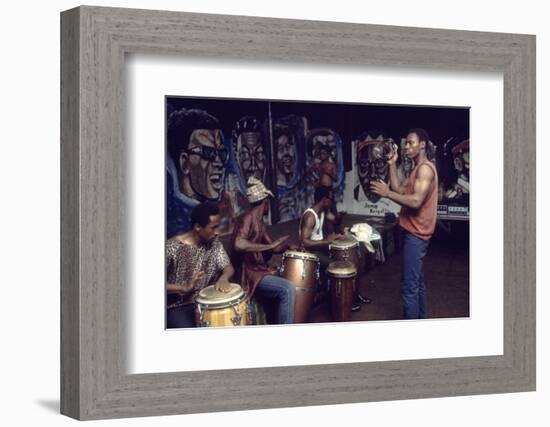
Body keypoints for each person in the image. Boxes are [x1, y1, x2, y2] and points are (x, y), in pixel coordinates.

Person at [370, 128, 439, 319]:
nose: (406, 146)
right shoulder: (417, 168)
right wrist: (392, 164)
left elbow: (416, 201)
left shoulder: (424, 169)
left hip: (416, 235)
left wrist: (387, 194)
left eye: (411, 143)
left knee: (409, 288)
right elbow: (400, 189)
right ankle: (421, 322)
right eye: (406, 143)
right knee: (417, 283)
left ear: (423, 145)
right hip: (414, 233)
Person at [231, 177, 297, 324]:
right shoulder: (247, 218)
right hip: (249, 274)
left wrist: (286, 246)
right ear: (265, 201)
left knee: (285, 280)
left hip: (259, 271)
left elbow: (273, 246)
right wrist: (268, 247)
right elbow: (238, 244)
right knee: (288, 289)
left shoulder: (260, 222)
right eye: (269, 201)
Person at [165, 202, 235, 328]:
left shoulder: (214, 243)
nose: (218, 232)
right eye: (213, 227)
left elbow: (227, 267)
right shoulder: (171, 248)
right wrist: (182, 287)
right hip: (177, 307)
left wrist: (224, 277)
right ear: (198, 227)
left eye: (218, 227)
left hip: (206, 303)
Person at [299, 186, 368, 311]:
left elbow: (335, 220)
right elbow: (304, 242)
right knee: (337, 265)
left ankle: (354, 295)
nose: (332, 201)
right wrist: (327, 241)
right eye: (330, 199)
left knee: (352, 259)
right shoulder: (310, 216)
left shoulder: (323, 211)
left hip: (321, 248)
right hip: (311, 253)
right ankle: (341, 301)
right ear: (324, 199)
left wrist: (340, 217)